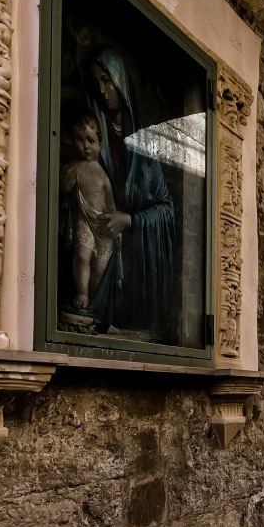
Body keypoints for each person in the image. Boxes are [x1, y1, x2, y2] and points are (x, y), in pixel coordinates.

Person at [84, 47, 175, 335]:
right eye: (97, 82)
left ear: (120, 80)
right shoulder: (93, 138)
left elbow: (166, 209)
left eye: (107, 80)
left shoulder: (146, 147)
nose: (102, 90)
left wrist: (130, 220)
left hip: (139, 261)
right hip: (102, 251)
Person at [60, 109, 118, 310]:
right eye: (79, 139)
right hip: (83, 219)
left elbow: (110, 205)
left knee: (100, 267)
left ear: (100, 144)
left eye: (90, 140)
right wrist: (65, 182)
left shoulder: (103, 175)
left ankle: (93, 301)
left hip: (102, 225)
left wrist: (116, 228)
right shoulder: (73, 167)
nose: (85, 146)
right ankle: (82, 293)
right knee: (82, 256)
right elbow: (63, 188)